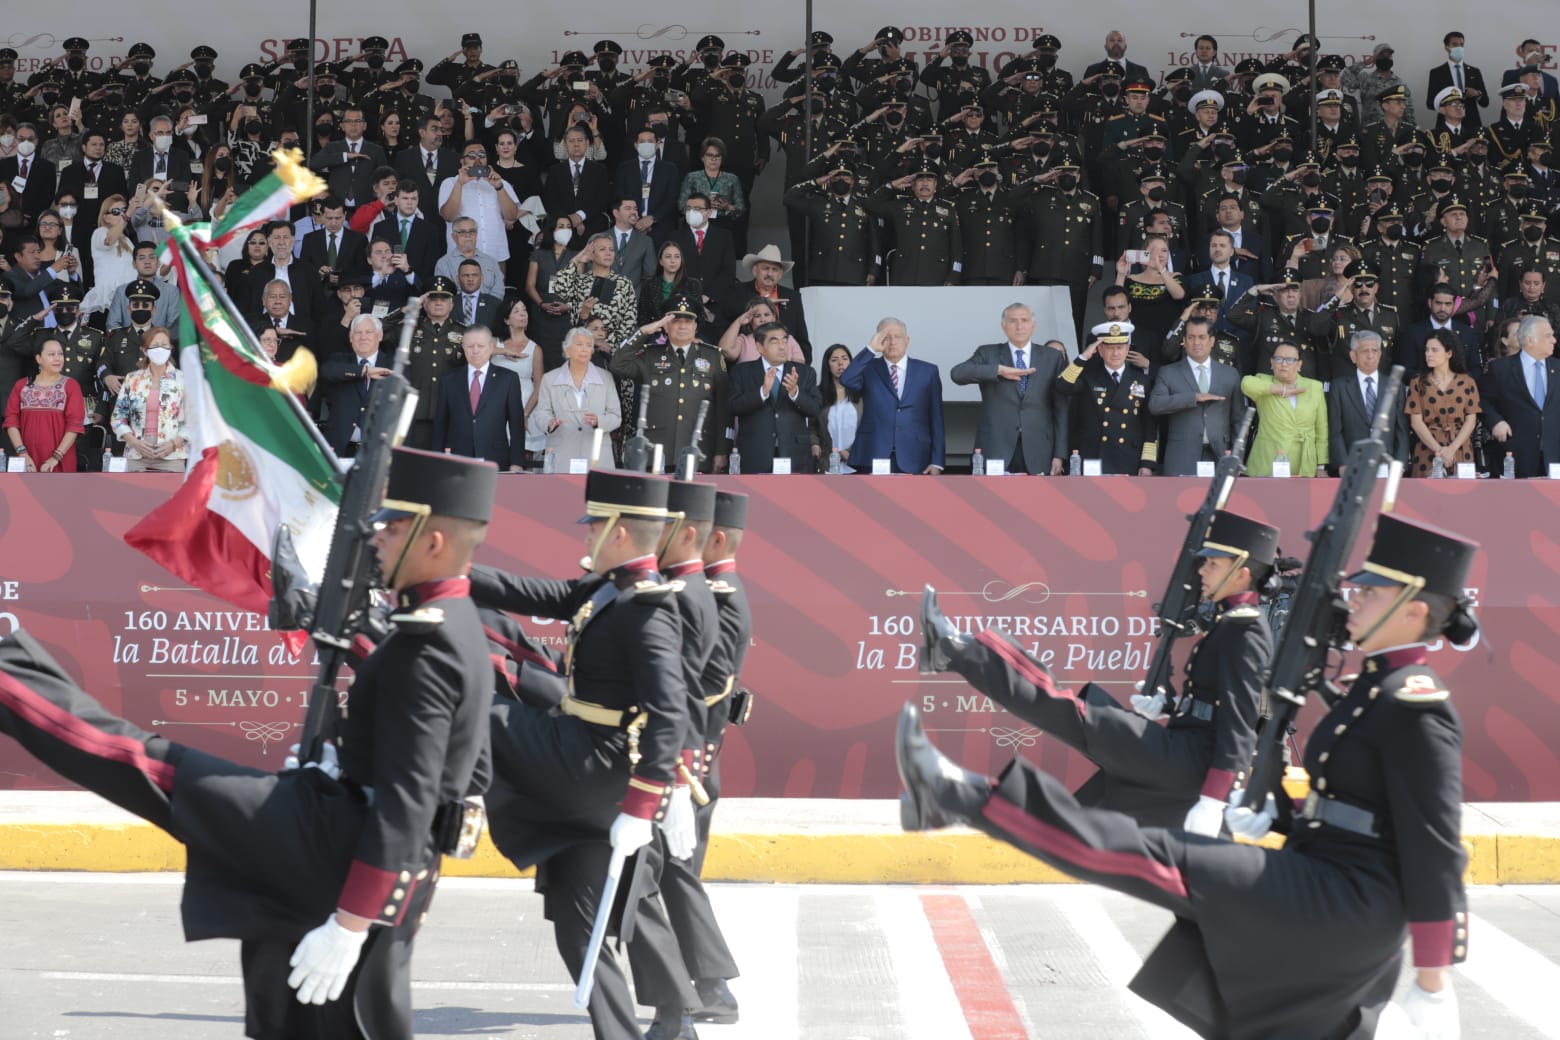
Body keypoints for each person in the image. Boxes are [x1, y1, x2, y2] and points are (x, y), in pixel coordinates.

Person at [898, 511, 1478, 1040]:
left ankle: (960, 793)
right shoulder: (1371, 688)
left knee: (1156, 849)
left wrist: (1434, 980)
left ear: (1415, 609)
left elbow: (1434, 848)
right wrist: (1280, 811)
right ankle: (958, 774)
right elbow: (1354, 800)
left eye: (1370, 592)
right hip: (1321, 873)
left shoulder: (1417, 706)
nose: (1354, 601)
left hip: (1351, 899)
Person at [0, 445, 497, 1039]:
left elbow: (410, 803)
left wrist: (351, 922)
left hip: (337, 853)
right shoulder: (447, 626)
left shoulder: (429, 646)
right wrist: (343, 761)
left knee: (130, 756)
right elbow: (468, 773)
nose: (378, 537)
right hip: (360, 852)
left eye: (392, 526)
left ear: (434, 542)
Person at [468, 469, 697, 1040]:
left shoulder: (647, 608)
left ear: (618, 532)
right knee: (578, 915)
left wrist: (644, 808)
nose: (587, 533)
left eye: (595, 524)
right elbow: (533, 594)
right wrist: (450, 574)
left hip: (595, 763)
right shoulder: (607, 587)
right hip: (579, 757)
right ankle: (640, 1029)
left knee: (470, 702)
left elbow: (670, 711)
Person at [921, 506, 1277, 833]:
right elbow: (1213, 704)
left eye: (1212, 564)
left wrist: (1214, 800)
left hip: (1191, 765)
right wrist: (1169, 706)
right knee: (1074, 829)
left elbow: (1239, 725)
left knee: (1072, 712)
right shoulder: (1232, 623)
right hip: (1183, 759)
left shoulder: (1246, 630)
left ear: (1241, 573)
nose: (1202, 570)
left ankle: (958, 651)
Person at [611, 296, 731, 473]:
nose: (682, 326)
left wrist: (722, 451)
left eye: (688, 321)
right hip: (656, 450)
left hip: (699, 450)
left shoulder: (713, 356)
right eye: (676, 321)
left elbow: (723, 408)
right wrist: (643, 332)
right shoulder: (650, 355)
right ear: (666, 326)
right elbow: (617, 365)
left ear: (695, 326)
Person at [950, 303, 1070, 475]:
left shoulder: (1052, 357)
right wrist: (998, 370)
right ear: (1003, 326)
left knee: (1039, 500)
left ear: (1033, 325)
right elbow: (957, 374)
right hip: (996, 445)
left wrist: (1059, 454)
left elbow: (1061, 407)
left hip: (1040, 448)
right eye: (1013, 321)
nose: (1019, 326)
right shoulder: (988, 353)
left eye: (1024, 320)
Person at [839, 317, 945, 474]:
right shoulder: (868, 369)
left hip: (916, 455)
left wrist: (937, 462)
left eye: (897, 336)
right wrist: (870, 349)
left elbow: (936, 419)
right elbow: (846, 379)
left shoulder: (928, 371)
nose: (892, 342)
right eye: (886, 337)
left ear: (907, 340)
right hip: (874, 451)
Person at [1055, 322, 1158, 475]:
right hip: (1094, 457)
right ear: (1100, 350)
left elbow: (1149, 425)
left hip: (1129, 457)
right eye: (1110, 348)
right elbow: (1061, 386)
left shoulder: (1143, 381)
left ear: (1128, 349)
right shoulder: (1088, 376)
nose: (1115, 353)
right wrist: (1083, 357)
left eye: (1120, 347)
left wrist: (1147, 463)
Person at [1149, 316, 1243, 475]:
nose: (1196, 342)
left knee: (1219, 500)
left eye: (1202, 337)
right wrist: (1192, 398)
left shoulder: (1230, 374)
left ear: (1212, 341)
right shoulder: (1168, 372)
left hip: (1220, 454)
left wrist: (1236, 453)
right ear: (1184, 341)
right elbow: (1155, 405)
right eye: (1191, 337)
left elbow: (1238, 419)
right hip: (1182, 455)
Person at [728, 320, 820, 473]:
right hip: (755, 452)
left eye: (785, 340)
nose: (782, 346)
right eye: (774, 341)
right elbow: (733, 406)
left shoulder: (804, 372)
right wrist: (762, 392)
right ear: (759, 347)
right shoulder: (741, 372)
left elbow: (815, 409)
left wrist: (795, 393)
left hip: (794, 452)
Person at [434, 326, 528, 472]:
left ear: (491, 347)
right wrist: (437, 460)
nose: (475, 350)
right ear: (463, 347)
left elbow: (517, 425)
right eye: (470, 346)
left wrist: (517, 462)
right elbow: (441, 424)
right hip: (456, 459)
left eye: (481, 346)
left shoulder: (508, 379)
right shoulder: (449, 380)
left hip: (495, 458)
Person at [530, 326, 622, 469]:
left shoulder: (606, 377)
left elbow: (616, 416)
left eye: (588, 345)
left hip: (597, 457)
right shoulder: (549, 379)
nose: (585, 349)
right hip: (562, 454)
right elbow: (541, 413)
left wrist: (599, 421)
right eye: (579, 344)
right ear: (567, 350)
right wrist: (549, 423)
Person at [1481, 315, 1558, 477]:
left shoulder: (1558, 369)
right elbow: (1481, 401)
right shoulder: (1501, 369)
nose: (1554, 340)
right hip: (1515, 455)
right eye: (1548, 335)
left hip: (1554, 455)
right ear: (1530, 340)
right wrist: (1495, 422)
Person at [1327, 331, 1412, 474]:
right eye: (1365, 351)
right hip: (1352, 463)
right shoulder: (1339, 387)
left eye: (1375, 351)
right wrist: (1342, 463)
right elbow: (1335, 431)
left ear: (1380, 354)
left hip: (1387, 464)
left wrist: (1400, 464)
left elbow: (1402, 430)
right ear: (1353, 356)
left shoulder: (1395, 387)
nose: (1371, 355)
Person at [1241, 341, 1328, 476]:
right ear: (1271, 362)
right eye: (1279, 359)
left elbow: (1322, 429)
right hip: (1268, 459)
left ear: (1299, 365)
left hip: (1303, 461)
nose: (1284, 364)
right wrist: (1279, 390)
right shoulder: (1263, 381)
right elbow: (1246, 383)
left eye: (1290, 360)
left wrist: (1321, 466)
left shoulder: (1314, 387)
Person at [110, 325, 185, 473]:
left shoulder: (183, 379)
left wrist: (173, 444)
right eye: (155, 345)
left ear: (171, 348)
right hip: (136, 454)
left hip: (172, 455)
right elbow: (118, 417)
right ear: (145, 350)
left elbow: (195, 420)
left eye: (164, 345)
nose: (160, 349)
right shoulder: (133, 379)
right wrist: (134, 442)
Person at [1406, 329, 1481, 477]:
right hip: (1428, 449)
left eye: (1434, 350)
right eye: (1427, 350)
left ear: (1449, 353)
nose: (1428, 354)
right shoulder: (1417, 382)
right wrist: (1439, 451)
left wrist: (1452, 449)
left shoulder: (1467, 382)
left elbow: (1471, 420)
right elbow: (1416, 422)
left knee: (1462, 497)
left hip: (1460, 448)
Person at [4, 336, 83, 472]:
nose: (58, 358)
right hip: (27, 460)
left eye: (60, 354)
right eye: (51, 354)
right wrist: (23, 454)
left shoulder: (71, 386)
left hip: (59, 460)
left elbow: (74, 426)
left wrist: (56, 457)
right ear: (38, 358)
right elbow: (11, 421)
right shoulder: (22, 385)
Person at [437, 139, 520, 267]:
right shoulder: (450, 183)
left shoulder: (501, 182)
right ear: (462, 161)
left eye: (482, 155)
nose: (477, 159)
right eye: (471, 156)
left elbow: (511, 216)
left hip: (495, 256)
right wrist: (460, 183)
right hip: (461, 259)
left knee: (497, 287)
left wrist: (499, 187)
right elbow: (448, 216)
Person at [319, 314, 392, 456]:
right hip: (340, 448)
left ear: (380, 335)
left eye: (368, 332)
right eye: (358, 333)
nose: (363, 337)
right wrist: (364, 371)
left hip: (377, 451)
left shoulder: (392, 364)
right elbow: (327, 370)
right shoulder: (339, 360)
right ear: (351, 338)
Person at [553, 232, 640, 350]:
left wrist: (609, 344)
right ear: (591, 254)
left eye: (611, 249)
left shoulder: (624, 283)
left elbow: (630, 319)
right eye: (602, 249)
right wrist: (578, 259)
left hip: (612, 350)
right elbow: (557, 286)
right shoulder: (580, 281)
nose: (608, 253)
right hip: (583, 346)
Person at [492, 299, 546, 462]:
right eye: (516, 311)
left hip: (524, 403)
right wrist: (501, 351)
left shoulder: (535, 348)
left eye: (524, 310)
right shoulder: (494, 342)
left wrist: (524, 413)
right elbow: (474, 354)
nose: (522, 314)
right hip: (496, 404)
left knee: (523, 458)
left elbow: (539, 386)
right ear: (506, 319)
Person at [526, 214, 581, 367]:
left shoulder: (577, 256)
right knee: (542, 358)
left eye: (569, 227)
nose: (566, 230)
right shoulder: (539, 254)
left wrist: (569, 306)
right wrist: (542, 304)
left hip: (567, 317)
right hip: (541, 315)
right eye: (561, 227)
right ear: (552, 230)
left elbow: (581, 288)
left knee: (565, 357)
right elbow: (530, 286)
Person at [83, 194, 138, 317]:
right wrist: (127, 215)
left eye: (124, 210)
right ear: (105, 217)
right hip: (108, 301)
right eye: (116, 211)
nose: (122, 214)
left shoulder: (127, 239)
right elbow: (109, 240)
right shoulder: (99, 232)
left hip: (128, 299)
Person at [813, 343, 861, 470]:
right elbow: (812, 426)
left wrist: (849, 453)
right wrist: (814, 444)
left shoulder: (862, 394)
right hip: (828, 462)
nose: (841, 363)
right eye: (834, 360)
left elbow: (869, 428)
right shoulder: (818, 393)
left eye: (845, 359)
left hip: (857, 462)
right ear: (827, 365)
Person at [717, 298, 804, 366]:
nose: (763, 319)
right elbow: (725, 351)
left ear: (774, 317)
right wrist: (739, 321)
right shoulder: (744, 340)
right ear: (750, 320)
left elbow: (800, 368)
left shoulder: (788, 339)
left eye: (767, 315)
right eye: (757, 316)